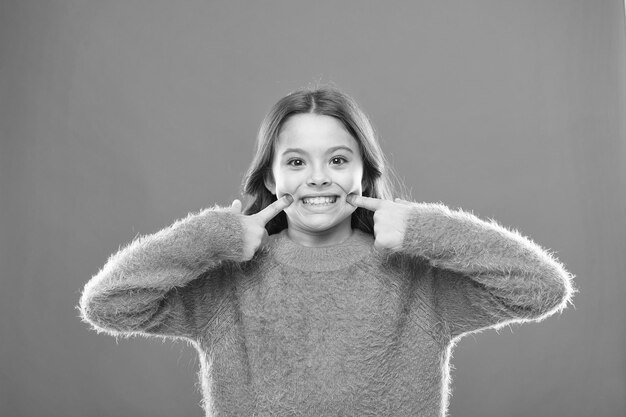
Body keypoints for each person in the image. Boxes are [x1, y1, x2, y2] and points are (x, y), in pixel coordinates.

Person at [79, 86, 575, 416]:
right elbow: (108, 305)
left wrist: (429, 228)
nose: (317, 177)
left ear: (363, 172)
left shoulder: (417, 276)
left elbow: (542, 290)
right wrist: (210, 237)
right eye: (296, 161)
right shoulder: (228, 279)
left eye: (338, 159)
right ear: (271, 178)